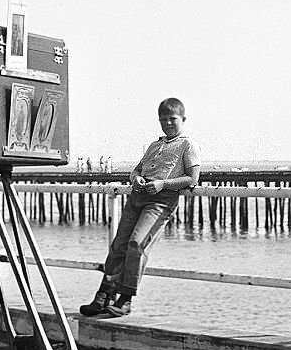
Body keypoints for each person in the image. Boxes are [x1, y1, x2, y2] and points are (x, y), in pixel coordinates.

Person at [80, 98, 201, 318]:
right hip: (137, 197)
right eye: (163, 119)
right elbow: (136, 170)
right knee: (119, 245)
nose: (168, 123)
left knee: (137, 244)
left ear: (183, 119)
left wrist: (163, 184)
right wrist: (136, 178)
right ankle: (104, 295)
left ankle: (125, 299)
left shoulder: (188, 145)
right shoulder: (155, 145)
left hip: (160, 200)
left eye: (172, 119)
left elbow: (192, 178)